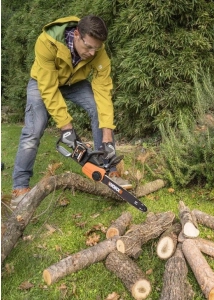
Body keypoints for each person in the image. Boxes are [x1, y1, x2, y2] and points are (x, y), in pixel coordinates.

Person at [11, 15, 132, 208]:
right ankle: (20, 187)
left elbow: (103, 91)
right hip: (43, 83)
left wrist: (107, 133)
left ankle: (109, 170)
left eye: (97, 48)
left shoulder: (97, 49)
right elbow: (49, 89)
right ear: (76, 34)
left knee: (96, 108)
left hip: (74, 82)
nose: (92, 53)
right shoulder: (47, 42)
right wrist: (66, 128)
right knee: (34, 129)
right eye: (88, 47)